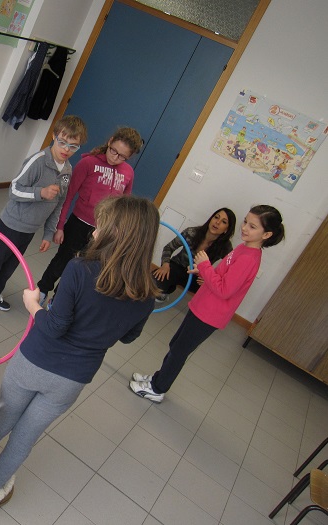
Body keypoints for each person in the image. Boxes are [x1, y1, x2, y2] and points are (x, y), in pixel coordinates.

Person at [0, 195, 159, 515]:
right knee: (26, 434)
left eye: (101, 225)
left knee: (2, 417)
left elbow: (54, 327)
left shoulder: (80, 269)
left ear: (117, 232)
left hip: (34, 360)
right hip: (72, 378)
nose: (93, 231)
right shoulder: (146, 295)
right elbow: (129, 337)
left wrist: (33, 303)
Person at [130, 204, 285, 403]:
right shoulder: (243, 248)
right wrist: (203, 271)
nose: (245, 228)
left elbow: (225, 290)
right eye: (246, 222)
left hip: (210, 314)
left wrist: (204, 265)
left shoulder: (250, 258)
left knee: (179, 350)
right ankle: (159, 378)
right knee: (176, 344)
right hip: (202, 305)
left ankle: (157, 389)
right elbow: (222, 275)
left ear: (267, 234)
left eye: (253, 226)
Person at [0, 115, 88, 325]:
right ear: (54, 136)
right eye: (62, 142)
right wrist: (40, 193)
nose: (66, 149)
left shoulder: (67, 170)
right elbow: (14, 189)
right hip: (11, 223)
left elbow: (59, 203)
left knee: (10, 265)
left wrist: (49, 232)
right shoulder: (38, 161)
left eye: (73, 146)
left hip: (30, 229)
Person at [37, 127, 143, 305]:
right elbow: (68, 196)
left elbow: (124, 207)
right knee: (62, 261)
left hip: (103, 231)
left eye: (122, 156)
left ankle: (58, 299)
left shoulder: (128, 173)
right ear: (109, 141)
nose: (115, 157)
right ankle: (41, 290)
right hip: (78, 224)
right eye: (113, 151)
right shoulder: (88, 163)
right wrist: (60, 226)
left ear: (129, 157)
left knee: (82, 269)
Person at [154, 207, 236, 302]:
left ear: (227, 229)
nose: (217, 222)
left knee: (212, 295)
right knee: (155, 280)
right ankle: (167, 289)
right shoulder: (191, 232)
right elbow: (169, 248)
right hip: (177, 267)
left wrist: (211, 279)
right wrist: (165, 264)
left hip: (198, 276)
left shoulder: (225, 247)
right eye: (216, 217)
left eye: (224, 222)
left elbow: (231, 270)